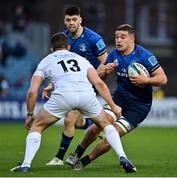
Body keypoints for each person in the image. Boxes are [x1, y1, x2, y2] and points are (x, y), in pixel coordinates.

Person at [10, 32, 136, 173]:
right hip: (86, 95)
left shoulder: (46, 60)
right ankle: (122, 157)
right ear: (68, 47)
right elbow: (99, 83)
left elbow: (32, 92)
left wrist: (29, 114)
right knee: (106, 124)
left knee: (37, 126)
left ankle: (26, 165)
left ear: (51, 49)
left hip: (63, 96)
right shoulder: (81, 59)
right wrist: (113, 105)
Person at [65, 24, 167, 172]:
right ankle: (76, 154)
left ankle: (84, 161)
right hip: (119, 99)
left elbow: (163, 79)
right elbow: (98, 78)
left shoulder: (145, 56)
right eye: (116, 37)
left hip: (138, 107)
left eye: (123, 37)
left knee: (112, 136)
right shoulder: (113, 54)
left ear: (132, 39)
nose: (119, 40)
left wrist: (146, 81)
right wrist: (106, 72)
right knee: (96, 126)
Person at [45, 5, 108, 166]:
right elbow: (60, 67)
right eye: (68, 20)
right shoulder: (64, 39)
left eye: (74, 19)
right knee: (76, 122)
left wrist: (94, 80)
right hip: (71, 84)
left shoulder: (93, 39)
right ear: (64, 21)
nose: (71, 22)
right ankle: (95, 126)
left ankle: (59, 158)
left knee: (69, 119)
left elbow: (106, 63)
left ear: (80, 20)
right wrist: (52, 84)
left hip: (89, 83)